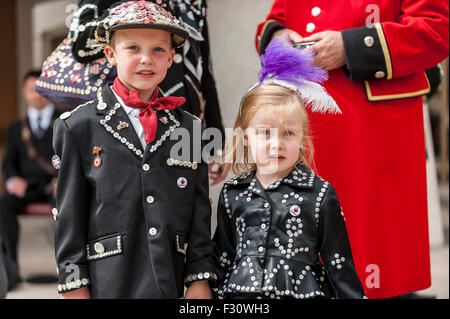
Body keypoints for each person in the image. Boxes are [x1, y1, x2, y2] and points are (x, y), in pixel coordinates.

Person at [255, 0, 449, 298]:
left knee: (369, 262)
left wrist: (350, 46)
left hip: (370, 129)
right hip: (300, 124)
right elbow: (278, 18)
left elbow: (436, 29)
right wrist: (278, 38)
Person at [52, 1, 216, 299]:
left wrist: (199, 279)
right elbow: (68, 218)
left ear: (171, 58)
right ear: (110, 54)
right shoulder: (77, 127)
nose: (146, 60)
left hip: (170, 279)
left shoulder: (191, 128)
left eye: (158, 50)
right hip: (110, 282)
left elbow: (199, 212)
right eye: (133, 48)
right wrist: (74, 287)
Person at [212, 37, 365, 299]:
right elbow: (223, 256)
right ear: (246, 138)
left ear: (302, 138)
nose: (276, 144)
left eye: (287, 133)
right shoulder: (232, 194)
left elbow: (338, 263)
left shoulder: (320, 195)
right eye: (264, 133)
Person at [69, 0, 228, 184]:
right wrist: (137, 9)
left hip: (185, 121)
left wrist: (215, 143)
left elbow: (203, 67)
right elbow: (80, 45)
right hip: (123, 119)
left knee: (183, 200)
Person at [0, 70, 59, 291]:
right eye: (32, 89)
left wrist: (63, 180)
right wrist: (13, 178)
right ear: (24, 93)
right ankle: (11, 267)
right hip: (27, 186)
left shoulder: (63, 121)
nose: (37, 95)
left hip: (55, 185)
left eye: (41, 89)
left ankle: (69, 268)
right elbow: (9, 162)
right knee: (4, 204)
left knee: (67, 209)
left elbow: (73, 156)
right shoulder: (17, 128)